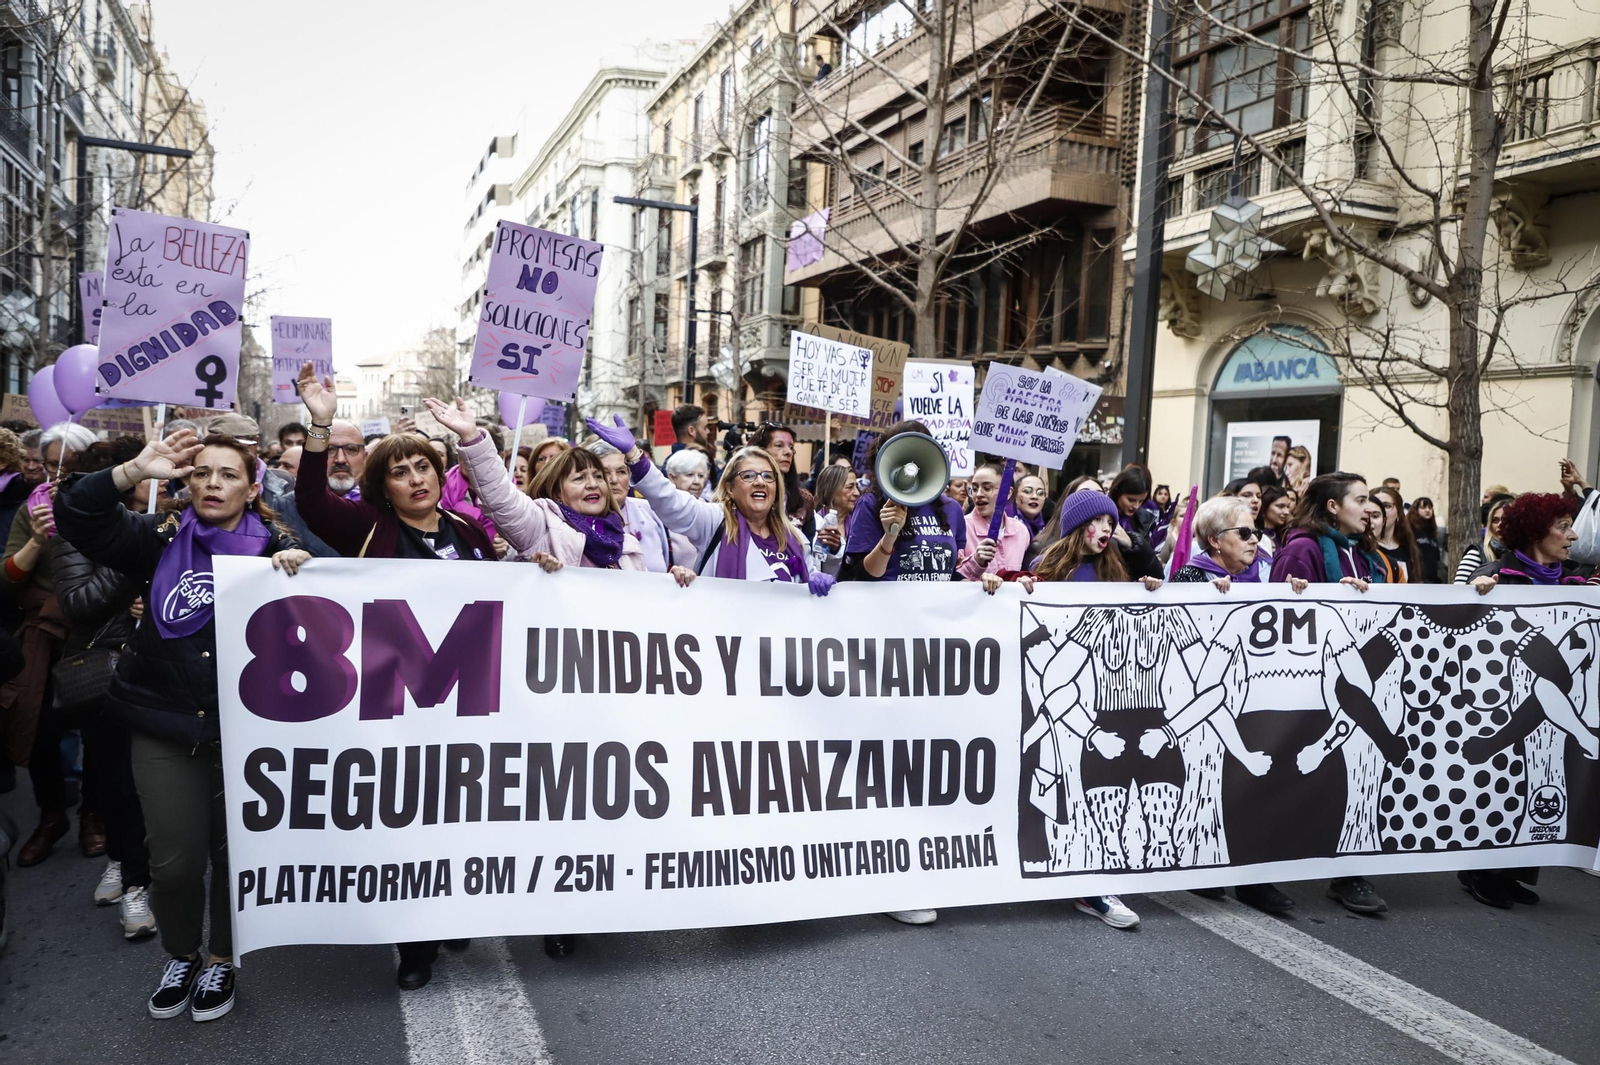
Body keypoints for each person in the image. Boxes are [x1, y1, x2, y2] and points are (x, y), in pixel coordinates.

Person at [55, 428, 309, 1021]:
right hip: (162, 722)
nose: (212, 483)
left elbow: (344, 601)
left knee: (233, 858)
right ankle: (182, 954)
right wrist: (132, 471)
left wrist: (305, 573)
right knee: (172, 862)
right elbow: (77, 514)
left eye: (227, 474)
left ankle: (221, 959)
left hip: (246, 731)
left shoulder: (281, 545)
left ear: (252, 487)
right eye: (202, 473)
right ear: (187, 483)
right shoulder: (156, 539)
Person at [297, 371, 495, 987]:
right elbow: (309, 503)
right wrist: (320, 425)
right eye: (400, 471)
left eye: (424, 467)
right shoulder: (369, 531)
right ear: (382, 487)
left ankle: (453, 909)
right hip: (398, 700)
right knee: (410, 823)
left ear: (440, 474)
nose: (416, 479)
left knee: (462, 815)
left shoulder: (467, 532)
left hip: (465, 699)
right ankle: (415, 947)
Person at [1023, 490, 1162, 930]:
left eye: (1110, 522)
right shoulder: (1045, 570)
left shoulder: (1114, 570)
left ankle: (1093, 886)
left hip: (1103, 699)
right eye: (1098, 522)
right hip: (1057, 703)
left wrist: (1150, 590)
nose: (1107, 530)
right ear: (1077, 526)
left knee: (1096, 793)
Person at [1462, 492, 1597, 905]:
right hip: (1501, 698)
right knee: (1501, 784)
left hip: (1550, 710)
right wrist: (1477, 592)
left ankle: (1513, 870)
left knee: (1540, 782)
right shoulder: (1498, 577)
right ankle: (1479, 873)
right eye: (1562, 526)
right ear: (1536, 532)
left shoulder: (1576, 582)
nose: (1573, 535)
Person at [1268, 471, 1389, 915]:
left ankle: (1348, 873)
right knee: (1291, 780)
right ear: (1334, 507)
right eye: (1360, 499)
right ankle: (1257, 872)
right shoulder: (1302, 549)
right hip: (1308, 686)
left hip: (1357, 681)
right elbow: (1280, 615)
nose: (1369, 508)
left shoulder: (1367, 556)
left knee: (1355, 778)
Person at [50, 438, 157, 939]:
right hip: (106, 674)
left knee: (149, 784)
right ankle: (127, 870)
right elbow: (77, 603)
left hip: (159, 672)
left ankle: (137, 864)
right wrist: (133, 566)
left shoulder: (170, 523)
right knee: (116, 782)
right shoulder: (74, 535)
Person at [587, 414, 832, 594]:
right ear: (730, 488)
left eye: (768, 476)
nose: (760, 482)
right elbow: (668, 499)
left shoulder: (796, 539)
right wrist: (633, 454)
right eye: (748, 476)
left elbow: (806, 584)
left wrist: (817, 580)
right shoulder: (714, 521)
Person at [3, 422, 98, 866]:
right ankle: (51, 815)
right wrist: (38, 539)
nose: (58, 474)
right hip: (44, 641)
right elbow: (8, 581)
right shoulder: (32, 508)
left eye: (70, 464)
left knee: (100, 733)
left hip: (93, 637)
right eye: (50, 465)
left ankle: (94, 816)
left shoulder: (105, 507)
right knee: (39, 733)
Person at [844, 421, 966, 586]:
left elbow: (948, 573)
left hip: (936, 608)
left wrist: (979, 579)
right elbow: (863, 577)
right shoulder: (870, 503)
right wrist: (889, 536)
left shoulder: (951, 508)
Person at [270, 420, 365, 558]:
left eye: (351, 449)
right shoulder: (284, 507)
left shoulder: (386, 504)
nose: (340, 459)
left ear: (365, 457)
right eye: (330, 449)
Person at [588, 439, 672, 572]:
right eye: (604, 473)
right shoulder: (580, 518)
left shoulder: (649, 509)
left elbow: (665, 562)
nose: (614, 480)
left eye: (621, 472)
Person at [956, 462, 1030, 580]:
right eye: (974, 489)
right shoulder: (960, 527)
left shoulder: (1021, 531)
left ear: (1008, 493)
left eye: (987, 488)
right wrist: (976, 561)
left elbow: (1027, 573)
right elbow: (952, 578)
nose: (979, 494)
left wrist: (1024, 579)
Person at [752, 422, 815, 540]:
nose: (788, 452)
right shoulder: (746, 495)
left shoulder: (804, 501)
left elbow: (808, 551)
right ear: (761, 451)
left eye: (791, 447)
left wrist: (834, 550)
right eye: (779, 445)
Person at [1106, 468, 1164, 578]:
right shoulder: (1101, 515)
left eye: (1141, 501)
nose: (1136, 506)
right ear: (1117, 492)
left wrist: (1132, 543)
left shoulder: (1145, 519)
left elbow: (1155, 571)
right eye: (1131, 500)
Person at [809, 464, 859, 577]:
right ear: (831, 489)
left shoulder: (859, 527)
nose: (857, 493)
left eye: (857, 487)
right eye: (850, 487)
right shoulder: (812, 525)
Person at [1455, 494, 1513, 583]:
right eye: (1495, 520)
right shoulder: (1476, 554)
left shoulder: (1525, 556)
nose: (1500, 525)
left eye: (1505, 519)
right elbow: (1459, 592)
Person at [1368, 485, 1419, 583]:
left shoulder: (1408, 548)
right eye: (1376, 505)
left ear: (1399, 512)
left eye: (1387, 506)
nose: (1381, 510)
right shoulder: (1364, 546)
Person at [1407, 496, 1445, 582]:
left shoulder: (1432, 531)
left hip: (1431, 579)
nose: (1427, 510)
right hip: (1416, 578)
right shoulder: (1410, 529)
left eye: (1430, 507)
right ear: (1415, 510)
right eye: (1423, 507)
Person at [1256, 484, 1293, 555]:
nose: (1286, 512)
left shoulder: (1286, 535)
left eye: (1288, 506)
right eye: (1280, 506)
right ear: (1265, 506)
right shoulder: (1253, 536)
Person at [1011, 472, 1050, 537]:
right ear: (1015, 496)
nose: (1035, 496)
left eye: (1040, 493)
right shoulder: (1005, 525)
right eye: (1027, 491)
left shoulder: (1051, 527)